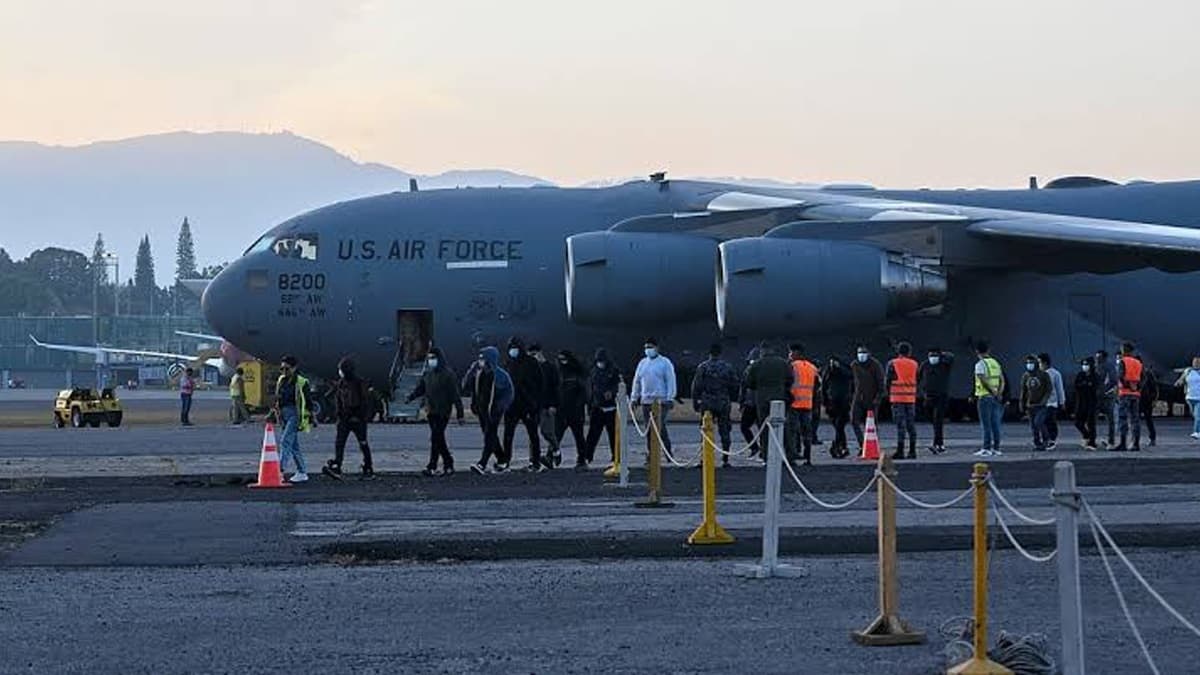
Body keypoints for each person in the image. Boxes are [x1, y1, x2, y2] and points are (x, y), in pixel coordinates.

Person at [406, 347, 464, 476]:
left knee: (436, 437)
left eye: (433, 358)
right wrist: (411, 397)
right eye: (429, 358)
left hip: (443, 411)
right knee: (438, 438)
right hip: (431, 411)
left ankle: (434, 465)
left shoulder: (448, 374)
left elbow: (455, 395)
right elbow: (421, 388)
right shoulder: (428, 373)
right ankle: (446, 463)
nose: (431, 361)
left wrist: (460, 414)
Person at [321, 357, 376, 480]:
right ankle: (338, 465)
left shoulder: (356, 383)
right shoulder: (345, 383)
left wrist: (359, 416)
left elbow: (364, 402)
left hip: (354, 419)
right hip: (347, 419)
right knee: (343, 443)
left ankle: (367, 466)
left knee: (360, 443)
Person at [464, 346, 514, 474]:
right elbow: (465, 385)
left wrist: (500, 407)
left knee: (489, 435)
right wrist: (472, 371)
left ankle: (482, 463)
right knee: (490, 436)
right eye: (479, 359)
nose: (480, 362)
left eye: (483, 359)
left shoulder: (501, 376)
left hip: (494, 411)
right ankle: (502, 460)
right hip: (482, 410)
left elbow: (509, 393)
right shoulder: (478, 373)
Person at [691, 343, 740, 468]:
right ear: (720, 353)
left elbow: (696, 386)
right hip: (723, 401)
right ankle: (725, 459)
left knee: (706, 430)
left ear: (710, 353)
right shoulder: (727, 367)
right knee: (725, 430)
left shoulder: (703, 367)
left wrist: (695, 401)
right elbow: (735, 384)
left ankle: (704, 458)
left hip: (707, 401)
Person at [744, 342, 793, 461]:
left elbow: (749, 383)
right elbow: (790, 379)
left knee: (764, 428)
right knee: (784, 427)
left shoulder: (756, 364)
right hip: (780, 397)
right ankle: (790, 456)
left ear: (762, 351)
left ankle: (766, 456)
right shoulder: (783, 363)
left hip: (762, 398)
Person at [503, 337, 546, 472]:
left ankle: (535, 462)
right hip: (511, 405)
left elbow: (540, 383)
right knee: (508, 435)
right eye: (511, 348)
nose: (512, 351)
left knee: (533, 434)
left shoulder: (531, 363)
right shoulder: (509, 362)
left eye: (514, 348)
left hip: (528, 405)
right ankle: (505, 461)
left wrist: (535, 402)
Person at [630, 337, 676, 453]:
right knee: (649, 429)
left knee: (660, 428)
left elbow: (670, 380)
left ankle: (667, 452)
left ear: (657, 348)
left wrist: (670, 397)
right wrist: (634, 398)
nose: (648, 349)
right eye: (646, 347)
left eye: (650, 347)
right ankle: (651, 454)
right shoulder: (642, 363)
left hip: (661, 401)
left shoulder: (665, 363)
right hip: (646, 401)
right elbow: (637, 381)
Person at [274, 355, 312, 483]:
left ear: (294, 368)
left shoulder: (302, 382)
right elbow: (278, 397)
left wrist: (311, 417)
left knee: (285, 441)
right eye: (282, 369)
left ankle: (280, 469)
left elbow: (308, 401)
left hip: (295, 414)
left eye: (287, 369)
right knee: (294, 445)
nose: (284, 371)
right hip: (284, 414)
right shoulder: (281, 380)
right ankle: (302, 471)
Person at [584, 348, 622, 466]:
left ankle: (616, 457)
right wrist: (590, 406)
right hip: (597, 407)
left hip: (611, 407)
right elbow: (590, 389)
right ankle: (587, 456)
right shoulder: (593, 372)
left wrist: (612, 392)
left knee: (613, 435)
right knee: (593, 434)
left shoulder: (614, 371)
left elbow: (618, 385)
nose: (601, 363)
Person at [529, 344, 563, 468]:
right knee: (532, 434)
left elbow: (555, 388)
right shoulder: (531, 369)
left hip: (546, 405)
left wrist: (554, 404)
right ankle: (534, 460)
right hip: (534, 406)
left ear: (540, 353)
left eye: (534, 355)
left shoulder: (550, 368)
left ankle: (556, 450)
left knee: (547, 431)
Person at [555, 350, 590, 470]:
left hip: (575, 411)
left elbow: (583, 393)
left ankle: (582, 460)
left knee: (579, 437)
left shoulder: (576, 373)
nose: (562, 362)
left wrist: (578, 406)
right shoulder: (559, 373)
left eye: (564, 359)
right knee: (556, 436)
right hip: (562, 411)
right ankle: (552, 456)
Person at [786, 344, 820, 466]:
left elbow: (787, 383)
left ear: (796, 353)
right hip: (808, 404)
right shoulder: (812, 367)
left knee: (792, 431)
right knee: (807, 432)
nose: (789, 355)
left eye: (790, 353)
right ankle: (808, 457)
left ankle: (792, 457)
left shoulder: (792, 366)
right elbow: (817, 387)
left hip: (794, 404)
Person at [885, 342, 919, 460]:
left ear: (898, 352)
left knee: (901, 425)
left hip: (897, 398)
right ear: (909, 352)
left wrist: (887, 393)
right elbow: (917, 378)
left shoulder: (893, 363)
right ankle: (912, 451)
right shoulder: (914, 364)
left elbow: (887, 380)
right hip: (910, 398)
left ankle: (900, 451)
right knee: (911, 425)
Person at [918, 347, 953, 454]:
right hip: (928, 396)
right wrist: (922, 392)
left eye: (935, 355)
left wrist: (942, 354)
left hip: (941, 396)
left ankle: (938, 444)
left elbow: (951, 356)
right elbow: (918, 378)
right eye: (930, 356)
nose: (932, 358)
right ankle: (938, 442)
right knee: (931, 419)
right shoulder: (925, 365)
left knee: (938, 419)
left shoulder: (944, 365)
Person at [973, 341, 1005, 457]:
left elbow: (982, 379)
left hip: (985, 396)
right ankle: (996, 448)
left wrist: (992, 391)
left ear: (977, 352)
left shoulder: (980, 364)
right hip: (995, 397)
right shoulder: (995, 363)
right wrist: (999, 392)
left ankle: (986, 448)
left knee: (986, 424)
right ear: (988, 350)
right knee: (995, 424)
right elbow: (1002, 379)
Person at [850, 345, 885, 451]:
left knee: (871, 424)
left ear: (869, 354)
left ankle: (873, 445)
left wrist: (878, 398)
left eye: (864, 353)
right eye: (859, 353)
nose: (861, 355)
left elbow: (881, 383)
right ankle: (862, 444)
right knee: (853, 420)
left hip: (871, 398)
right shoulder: (854, 365)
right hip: (858, 397)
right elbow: (852, 381)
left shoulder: (875, 365)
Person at [821, 354, 853, 459]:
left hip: (842, 403)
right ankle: (841, 446)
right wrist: (825, 402)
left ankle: (838, 445)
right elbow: (824, 387)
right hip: (833, 403)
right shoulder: (829, 372)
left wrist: (839, 367)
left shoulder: (845, 372)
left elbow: (850, 376)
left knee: (839, 426)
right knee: (838, 426)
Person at [1113, 342, 1143, 452]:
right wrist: (1137, 388)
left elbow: (1120, 376)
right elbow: (1143, 378)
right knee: (1135, 419)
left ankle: (1123, 443)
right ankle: (1136, 444)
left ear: (1124, 350)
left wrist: (1127, 386)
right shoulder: (1138, 363)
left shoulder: (1122, 361)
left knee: (1122, 418)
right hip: (1135, 395)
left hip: (1124, 393)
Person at [1019, 354, 1052, 451]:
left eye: (1031, 363)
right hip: (1030, 405)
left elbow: (1048, 389)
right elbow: (1023, 391)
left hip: (1041, 405)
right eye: (1028, 363)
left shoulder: (1044, 375)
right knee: (1033, 426)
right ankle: (1037, 443)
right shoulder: (1025, 376)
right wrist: (1022, 403)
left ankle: (1046, 439)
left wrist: (1044, 400)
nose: (1029, 365)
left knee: (1039, 422)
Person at [738, 348, 763, 459]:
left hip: (750, 403)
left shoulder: (748, 370)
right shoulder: (764, 370)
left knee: (744, 427)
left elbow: (743, 387)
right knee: (762, 428)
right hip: (760, 403)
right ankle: (761, 450)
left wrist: (741, 402)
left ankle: (754, 447)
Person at [1039, 353, 1066, 450]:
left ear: (1045, 363)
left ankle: (1052, 440)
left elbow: (1060, 388)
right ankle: (1045, 439)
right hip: (1041, 403)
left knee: (1050, 422)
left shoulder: (1055, 374)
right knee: (1041, 422)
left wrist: (1062, 402)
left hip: (1052, 403)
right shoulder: (1038, 373)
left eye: (1040, 362)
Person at [1074, 357, 1100, 450]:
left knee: (1091, 423)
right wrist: (1086, 384)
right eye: (1083, 364)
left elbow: (1095, 387)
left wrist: (1085, 385)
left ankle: (1092, 443)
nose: (1085, 366)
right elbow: (1077, 386)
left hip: (1092, 402)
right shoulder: (1080, 375)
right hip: (1081, 402)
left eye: (1087, 364)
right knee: (1078, 422)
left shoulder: (1095, 376)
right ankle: (1086, 435)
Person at [1095, 349, 1118, 448]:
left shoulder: (1108, 366)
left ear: (1103, 357)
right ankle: (1093, 440)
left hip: (1107, 396)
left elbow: (1113, 380)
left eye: (1099, 357)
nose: (1097, 359)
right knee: (1094, 419)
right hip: (1099, 396)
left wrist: (1103, 390)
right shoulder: (1097, 367)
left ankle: (1111, 441)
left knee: (1110, 420)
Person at [1173, 357, 1200, 440]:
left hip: (1199, 397)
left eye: (1198, 362)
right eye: (1195, 362)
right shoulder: (1188, 371)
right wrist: (1178, 383)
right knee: (1194, 415)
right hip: (1189, 397)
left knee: (1197, 416)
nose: (1196, 364)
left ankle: (1196, 432)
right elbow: (1182, 379)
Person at [1139, 365, 1159, 447]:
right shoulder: (1148, 373)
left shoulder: (1147, 373)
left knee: (1145, 420)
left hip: (1144, 399)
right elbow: (1155, 387)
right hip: (1145, 399)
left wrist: (1154, 399)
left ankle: (1151, 438)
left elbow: (1154, 387)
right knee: (1148, 420)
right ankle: (1152, 438)